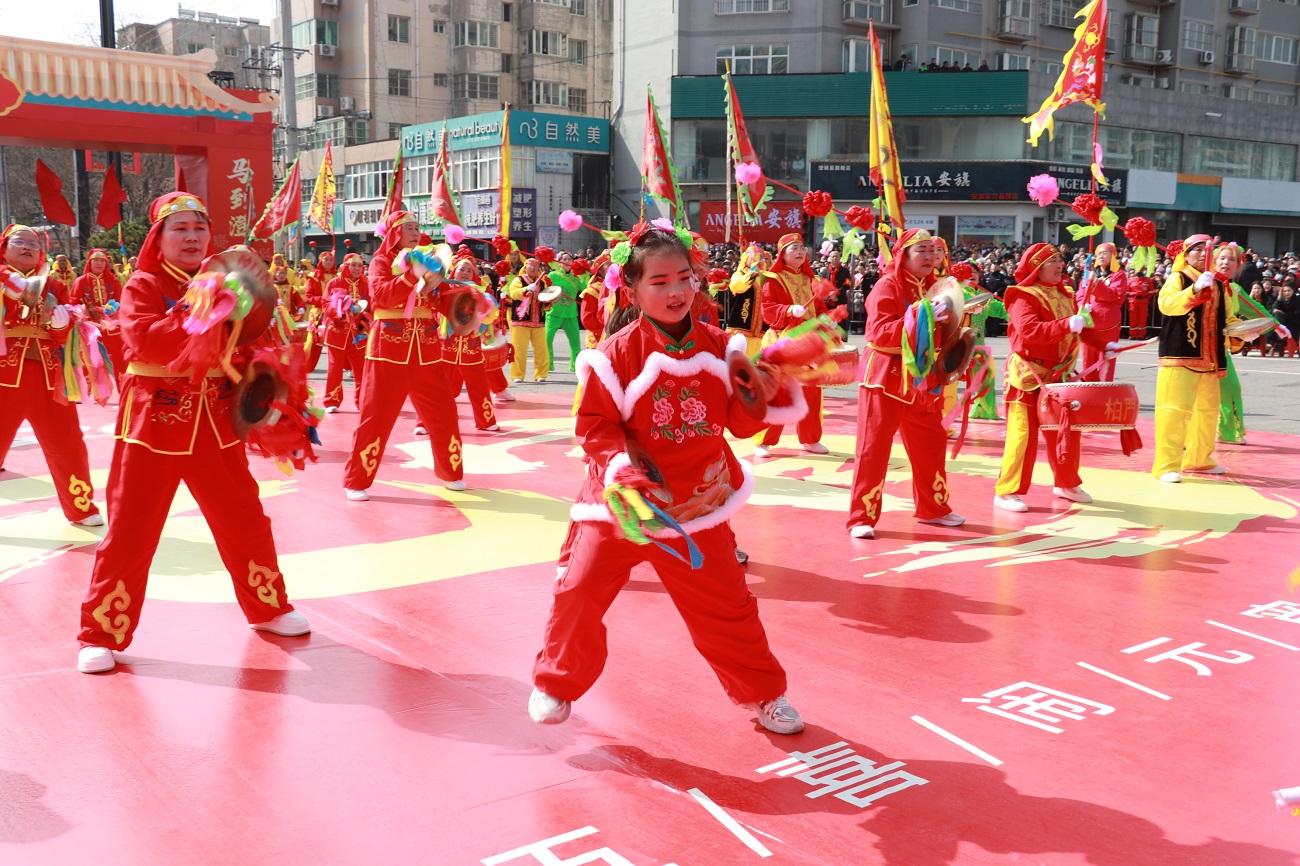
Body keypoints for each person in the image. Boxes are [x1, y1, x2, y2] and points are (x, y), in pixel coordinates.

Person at [528, 222, 804, 736]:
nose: (676, 291)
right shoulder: (613, 355)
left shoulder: (723, 347)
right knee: (579, 589)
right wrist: (619, 465)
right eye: (659, 282)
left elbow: (740, 427)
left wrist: (761, 389)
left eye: (684, 278)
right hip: (623, 502)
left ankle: (765, 696)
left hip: (695, 504)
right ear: (632, 291)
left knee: (727, 607)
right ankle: (556, 681)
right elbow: (594, 427)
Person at [76, 192, 309, 674]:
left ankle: (268, 608)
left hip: (215, 423)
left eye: (199, 228)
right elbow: (145, 341)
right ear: (158, 238)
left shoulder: (232, 280)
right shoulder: (143, 283)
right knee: (130, 531)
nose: (191, 236)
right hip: (152, 425)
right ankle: (100, 632)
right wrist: (201, 306)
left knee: (245, 520)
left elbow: (251, 341)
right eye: (179, 228)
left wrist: (271, 382)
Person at [846, 230, 964, 539]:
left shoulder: (932, 287)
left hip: (921, 379)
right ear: (904, 256)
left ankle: (933, 508)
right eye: (921, 250)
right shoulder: (887, 285)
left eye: (932, 250)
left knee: (931, 442)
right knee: (873, 449)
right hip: (886, 377)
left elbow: (937, 336)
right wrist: (922, 314)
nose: (929, 256)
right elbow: (878, 333)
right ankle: (862, 517)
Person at [342, 210, 466, 500]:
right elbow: (382, 297)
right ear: (394, 233)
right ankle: (356, 480)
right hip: (388, 349)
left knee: (444, 413)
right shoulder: (381, 262)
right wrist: (412, 274)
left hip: (426, 349)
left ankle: (451, 472)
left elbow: (436, 300)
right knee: (376, 416)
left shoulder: (431, 259)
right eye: (408, 227)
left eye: (416, 227)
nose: (414, 231)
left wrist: (467, 302)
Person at [993, 243, 1115, 512]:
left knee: (1066, 431)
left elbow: (1081, 329)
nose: (1060, 265)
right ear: (1037, 267)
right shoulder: (1022, 295)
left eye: (1060, 260)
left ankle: (1066, 482)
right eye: (1053, 262)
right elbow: (1028, 331)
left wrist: (1103, 345)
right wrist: (1066, 325)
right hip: (1028, 374)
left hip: (1059, 375)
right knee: (1022, 434)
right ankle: (1007, 490)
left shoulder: (1067, 293)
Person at [0, 225, 102, 526]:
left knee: (68, 441)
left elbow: (61, 336)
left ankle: (81, 507)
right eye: (20, 242)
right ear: (4, 247)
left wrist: (61, 326)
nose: (28, 247)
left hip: (49, 376)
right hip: (4, 376)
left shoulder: (54, 286)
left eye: (33, 243)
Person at [1152, 235, 1250, 483]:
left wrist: (1243, 333)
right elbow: (1166, 305)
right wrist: (1194, 290)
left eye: (1207, 249)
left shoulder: (1219, 285)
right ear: (1186, 254)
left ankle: (1199, 459)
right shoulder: (1178, 278)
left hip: (1210, 359)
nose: (1203, 253)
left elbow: (1228, 320)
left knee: (1207, 413)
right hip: (1180, 355)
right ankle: (1165, 466)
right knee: (1174, 412)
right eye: (1197, 249)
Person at [755, 233, 830, 458]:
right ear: (783, 254)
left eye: (801, 247)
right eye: (793, 248)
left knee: (811, 391)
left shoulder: (811, 280)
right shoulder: (773, 279)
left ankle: (810, 439)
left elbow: (819, 308)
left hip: (807, 344)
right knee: (777, 391)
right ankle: (763, 441)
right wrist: (788, 310)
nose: (799, 252)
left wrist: (827, 318)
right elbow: (767, 309)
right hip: (782, 341)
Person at [443, 247, 500, 432]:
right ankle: (425, 422)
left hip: (471, 347)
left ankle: (486, 421)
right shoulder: (444, 289)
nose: (466, 272)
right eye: (462, 269)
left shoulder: (482, 294)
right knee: (440, 386)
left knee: (479, 387)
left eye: (470, 270)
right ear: (454, 272)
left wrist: (482, 320)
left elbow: (489, 315)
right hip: (446, 348)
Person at [321, 252, 369, 413]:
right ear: (345, 266)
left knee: (361, 369)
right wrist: (342, 308)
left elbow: (372, 305)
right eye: (353, 265)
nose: (357, 269)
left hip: (360, 333)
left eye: (360, 266)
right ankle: (331, 401)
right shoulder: (335, 283)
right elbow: (326, 306)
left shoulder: (366, 283)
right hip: (337, 332)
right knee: (335, 368)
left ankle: (362, 402)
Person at [73, 248, 126, 384]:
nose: (99, 263)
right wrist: (84, 310)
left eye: (102, 260)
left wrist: (116, 310)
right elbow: (73, 303)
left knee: (118, 357)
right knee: (87, 357)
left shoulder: (113, 280)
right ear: (89, 263)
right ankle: (86, 390)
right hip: (90, 327)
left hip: (112, 326)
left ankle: (123, 388)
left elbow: (121, 300)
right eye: (95, 260)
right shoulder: (80, 281)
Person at [1077, 242, 1126, 382]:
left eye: (1105, 253)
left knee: (1106, 362)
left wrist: (1096, 285)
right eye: (1099, 253)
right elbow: (1080, 293)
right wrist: (1082, 305)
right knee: (1088, 361)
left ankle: (1105, 392)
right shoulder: (1089, 275)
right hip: (1090, 323)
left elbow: (1114, 294)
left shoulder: (1118, 275)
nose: (1101, 256)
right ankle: (1089, 390)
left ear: (1113, 256)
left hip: (1108, 324)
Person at [505, 256, 551, 382]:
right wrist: (526, 289)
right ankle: (518, 375)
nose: (533, 269)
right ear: (525, 268)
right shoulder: (518, 280)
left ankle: (541, 374)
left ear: (538, 269)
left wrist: (550, 300)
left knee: (541, 348)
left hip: (538, 322)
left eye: (535, 267)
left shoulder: (542, 282)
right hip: (521, 321)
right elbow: (513, 293)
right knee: (519, 349)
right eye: (530, 266)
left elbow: (545, 299)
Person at [722, 243, 770, 355]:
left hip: (762, 330)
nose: (756, 259)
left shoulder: (766, 277)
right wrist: (749, 276)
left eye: (759, 256)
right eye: (753, 255)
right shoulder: (740, 274)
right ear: (746, 257)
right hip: (742, 328)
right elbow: (736, 287)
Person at [544, 258, 583, 373]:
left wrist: (584, 274)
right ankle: (548, 364)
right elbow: (545, 290)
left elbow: (585, 288)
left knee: (575, 341)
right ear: (559, 262)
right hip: (554, 312)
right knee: (547, 339)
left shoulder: (576, 277)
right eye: (564, 259)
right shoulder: (552, 275)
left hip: (570, 313)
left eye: (569, 259)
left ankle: (575, 364)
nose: (567, 261)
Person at [1124, 265, 1156, 339]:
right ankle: (1133, 335)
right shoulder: (1131, 281)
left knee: (1143, 318)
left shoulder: (1148, 281)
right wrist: (1131, 298)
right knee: (1133, 318)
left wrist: (1145, 298)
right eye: (1138, 271)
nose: (1139, 272)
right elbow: (1127, 291)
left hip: (1144, 301)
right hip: (1133, 301)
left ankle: (1141, 335)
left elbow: (1151, 291)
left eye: (1141, 271)